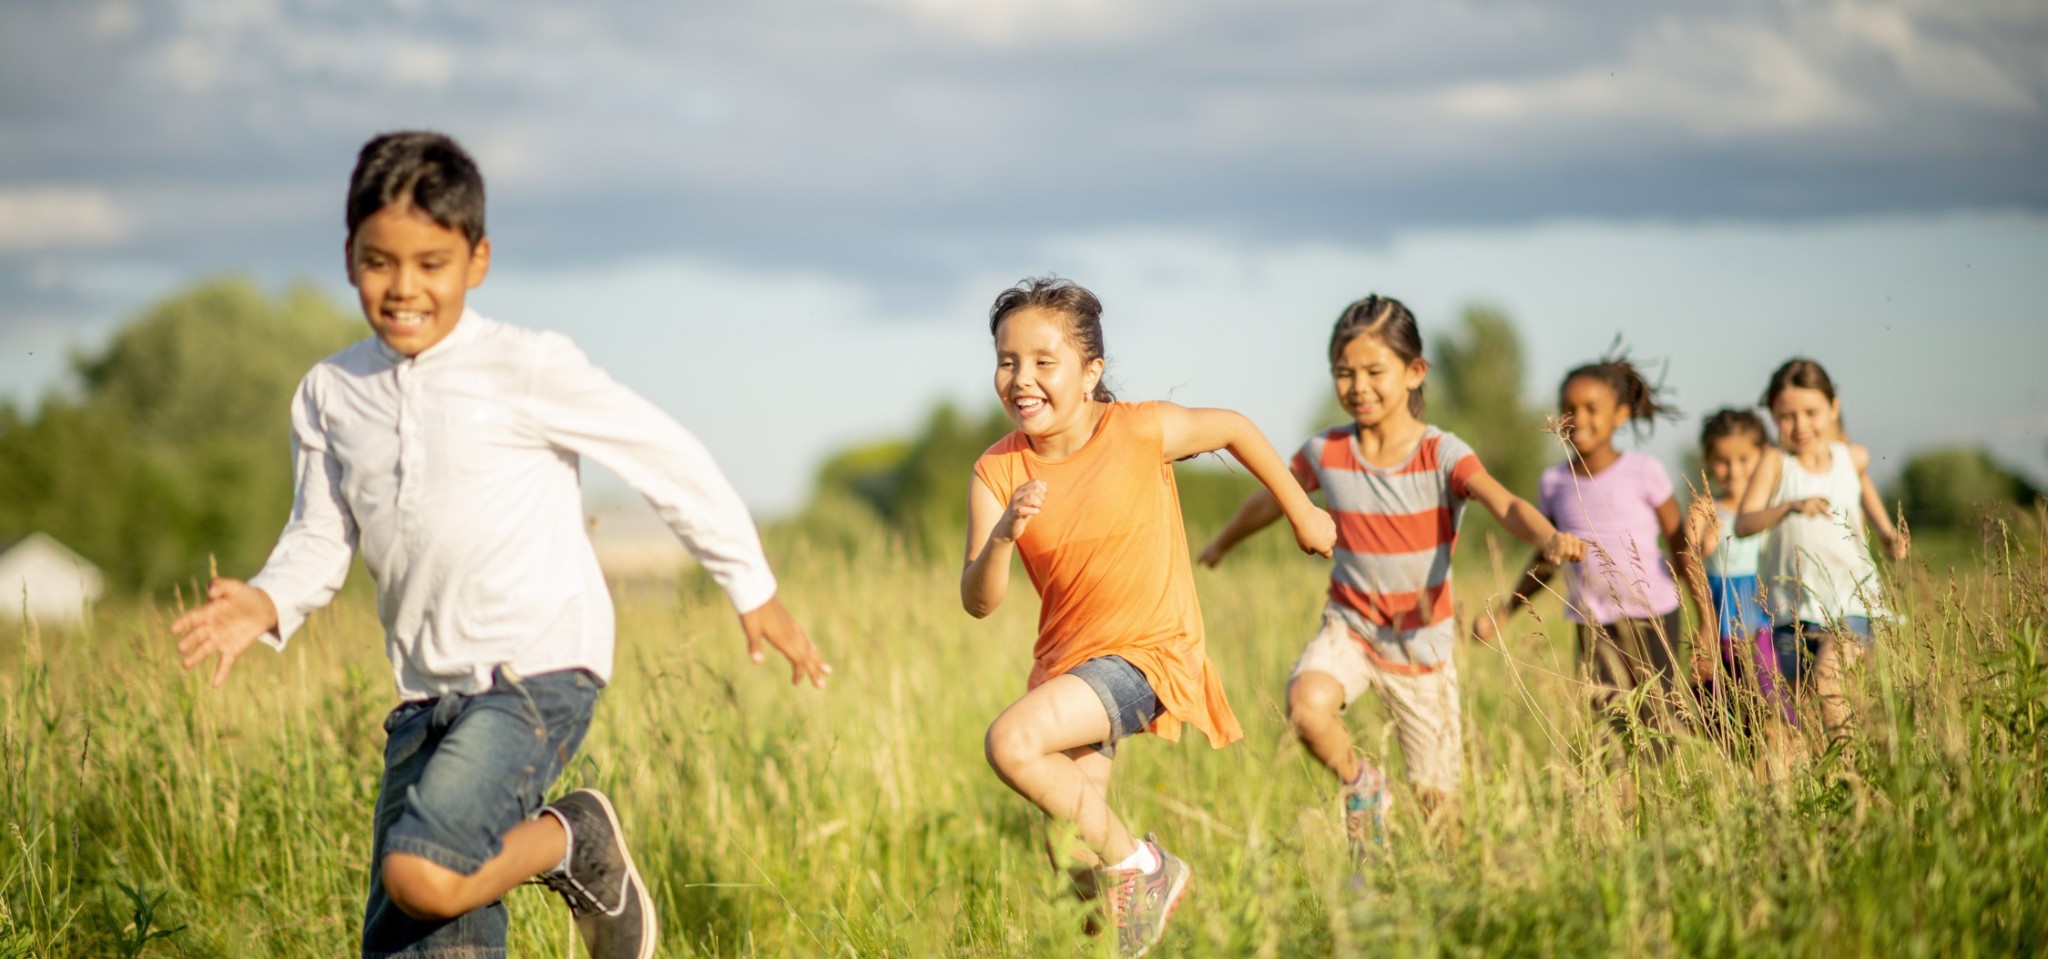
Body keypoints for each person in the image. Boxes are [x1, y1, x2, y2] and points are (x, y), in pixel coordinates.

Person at [169, 131, 830, 959]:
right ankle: (556, 848)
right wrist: (268, 598)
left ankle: (572, 838)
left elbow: (661, 454)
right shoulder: (331, 394)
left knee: (421, 872)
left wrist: (750, 583)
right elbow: (320, 532)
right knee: (417, 942)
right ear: (348, 258)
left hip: (535, 672)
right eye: (380, 262)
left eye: (432, 263)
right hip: (423, 700)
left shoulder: (524, 366)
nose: (404, 287)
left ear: (477, 260)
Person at [963, 277, 1335, 958]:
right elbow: (979, 601)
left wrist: (1302, 511)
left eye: (1045, 362)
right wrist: (1002, 539)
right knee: (1066, 845)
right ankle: (1110, 939)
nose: (1022, 379)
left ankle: (1147, 868)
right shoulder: (996, 471)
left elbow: (1235, 428)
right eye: (1007, 360)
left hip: (1147, 654)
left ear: (1090, 371)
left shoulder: (1138, 428)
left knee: (1010, 743)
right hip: (1066, 666)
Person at [1197, 295, 1583, 850]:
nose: (1358, 386)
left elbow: (1504, 504)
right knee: (1306, 705)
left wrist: (1547, 537)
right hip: (1350, 627)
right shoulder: (1327, 451)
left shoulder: (1442, 453)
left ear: (1413, 372)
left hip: (1421, 652)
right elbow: (1272, 500)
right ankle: (1363, 785)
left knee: (1440, 824)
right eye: (1344, 373)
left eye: (1375, 372)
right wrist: (1223, 541)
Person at [1476, 354, 1712, 743]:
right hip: (1592, 622)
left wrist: (1705, 620)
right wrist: (1505, 612)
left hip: (1653, 616)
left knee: (1657, 725)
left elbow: (1681, 549)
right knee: (1607, 728)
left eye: (1591, 409)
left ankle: (1658, 794)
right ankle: (1619, 802)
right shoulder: (1554, 482)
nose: (1578, 419)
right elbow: (1546, 558)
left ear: (1620, 415)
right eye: (1569, 409)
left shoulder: (1644, 470)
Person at [1734, 358, 1906, 744]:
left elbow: (1870, 504)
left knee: (1830, 684)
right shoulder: (1776, 463)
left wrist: (1888, 534)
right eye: (1787, 416)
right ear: (1774, 417)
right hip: (1790, 610)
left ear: (1833, 407)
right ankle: (1835, 780)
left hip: (1851, 602)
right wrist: (1788, 506)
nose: (1800, 426)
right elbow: (1744, 524)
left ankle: (1852, 779)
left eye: (1811, 413)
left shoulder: (1852, 458)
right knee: (1806, 717)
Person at [1685, 408, 1787, 730]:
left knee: (1771, 700)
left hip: (1763, 620)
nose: (1734, 471)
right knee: (1719, 708)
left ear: (1763, 458)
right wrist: (1704, 547)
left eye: (1745, 460)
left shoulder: (1770, 507)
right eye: (1723, 461)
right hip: (1719, 618)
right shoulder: (1705, 507)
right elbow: (1688, 559)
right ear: (1708, 460)